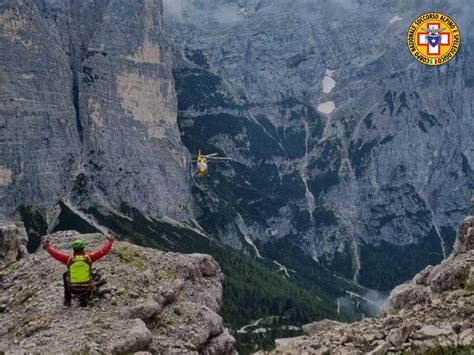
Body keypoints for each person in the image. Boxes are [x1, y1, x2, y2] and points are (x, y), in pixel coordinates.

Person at [43, 234, 116, 307]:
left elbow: (55, 254)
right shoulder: (89, 258)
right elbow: (103, 251)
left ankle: (67, 300)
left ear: (73, 249)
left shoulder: (68, 259)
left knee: (65, 275)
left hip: (72, 289)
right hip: (86, 288)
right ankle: (85, 298)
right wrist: (110, 242)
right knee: (90, 274)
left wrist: (47, 247)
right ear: (83, 248)